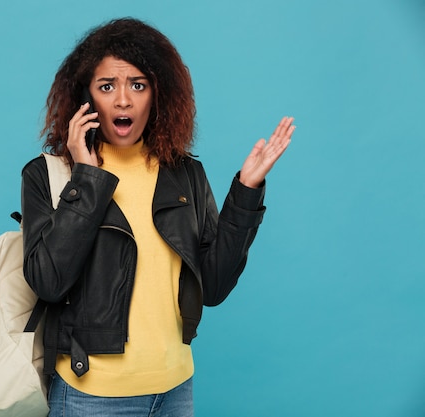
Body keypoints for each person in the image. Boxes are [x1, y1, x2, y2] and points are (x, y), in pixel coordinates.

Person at [20, 17, 295, 417]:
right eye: (107, 86)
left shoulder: (183, 173)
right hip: (91, 397)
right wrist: (88, 177)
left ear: (157, 93)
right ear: (86, 97)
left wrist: (246, 192)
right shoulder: (48, 175)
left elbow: (213, 287)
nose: (123, 101)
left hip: (175, 391)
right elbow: (48, 281)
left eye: (138, 84)